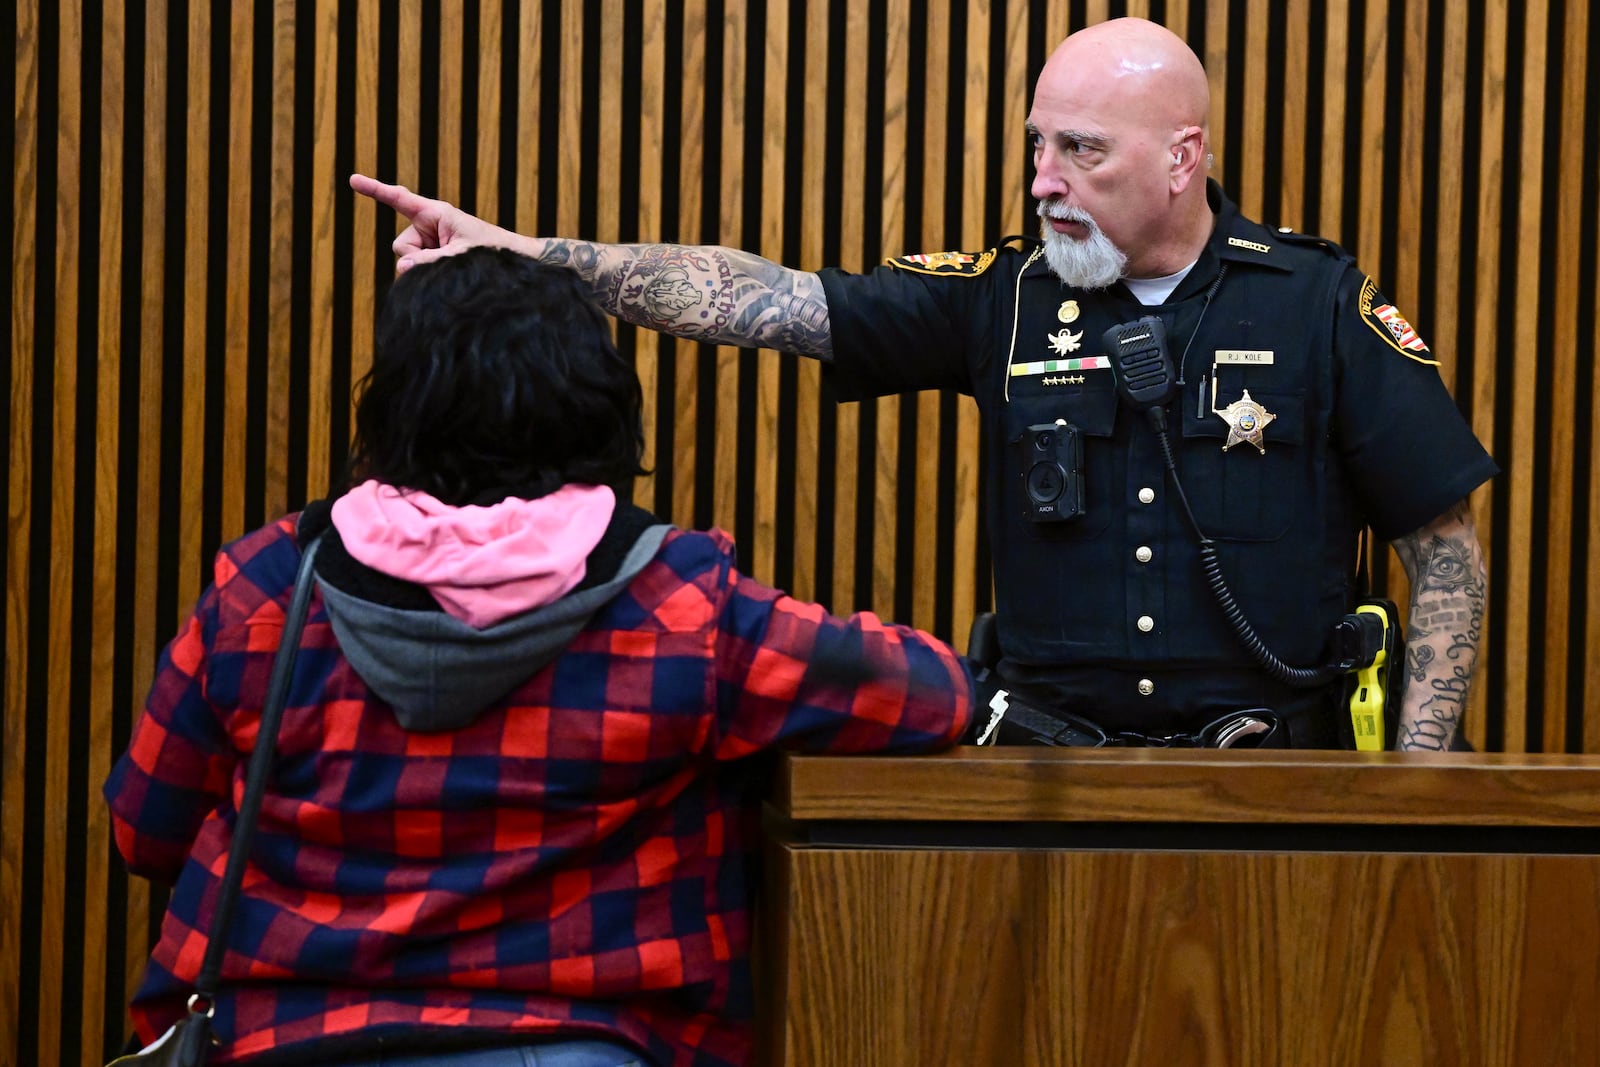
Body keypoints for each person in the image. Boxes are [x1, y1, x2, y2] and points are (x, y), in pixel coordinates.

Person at [348, 16, 1494, 752]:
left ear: (1183, 159)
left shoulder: (1313, 303)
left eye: (1080, 150)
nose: (1042, 179)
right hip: (1046, 782)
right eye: (1036, 144)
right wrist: (529, 253)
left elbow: (1442, 547)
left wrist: (1417, 781)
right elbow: (771, 299)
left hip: (1271, 784)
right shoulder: (997, 296)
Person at [103, 247, 973, 1067]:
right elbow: (932, 694)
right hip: (585, 1038)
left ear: (394, 403)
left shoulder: (266, 586)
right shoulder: (676, 604)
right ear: (593, 399)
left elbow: (144, 831)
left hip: (277, 1034)